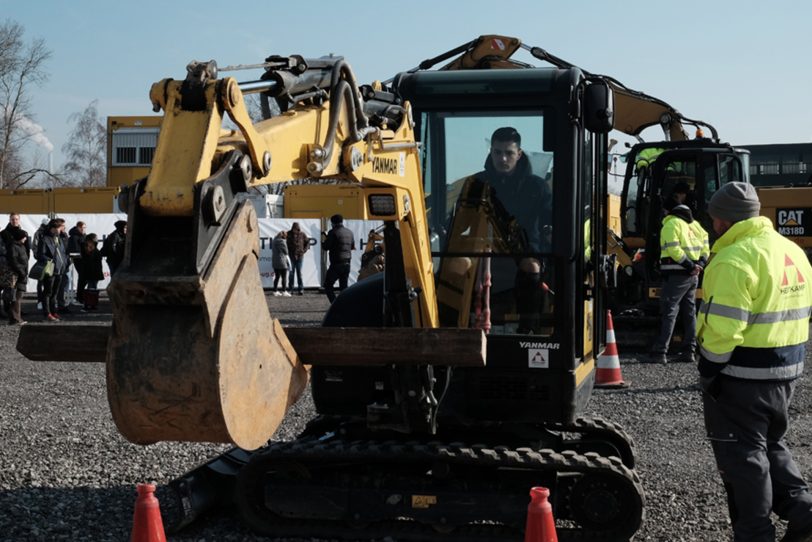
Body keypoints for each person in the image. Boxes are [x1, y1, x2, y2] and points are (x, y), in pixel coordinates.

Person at [697, 182, 812, 542]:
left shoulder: (733, 259)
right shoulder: (790, 250)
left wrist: (710, 372)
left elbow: (721, 332)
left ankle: (754, 533)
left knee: (743, 457)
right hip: (785, 369)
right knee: (769, 443)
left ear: (721, 222)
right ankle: (805, 512)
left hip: (743, 376)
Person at [467, 126, 552, 334]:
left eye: (509, 153)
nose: (503, 159)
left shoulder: (537, 188)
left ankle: (528, 329)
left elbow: (550, 224)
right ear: (491, 152)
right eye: (498, 152)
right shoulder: (477, 184)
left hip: (525, 252)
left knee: (532, 268)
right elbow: (461, 220)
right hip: (483, 251)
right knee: (458, 265)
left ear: (519, 154)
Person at [649, 203, 709, 364]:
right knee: (689, 312)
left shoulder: (671, 224)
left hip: (676, 276)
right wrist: (699, 265)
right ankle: (689, 351)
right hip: (692, 277)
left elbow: (674, 249)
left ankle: (660, 352)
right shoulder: (696, 226)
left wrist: (690, 266)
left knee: (670, 311)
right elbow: (705, 247)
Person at [35, 218, 68, 322]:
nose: (64, 228)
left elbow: (63, 253)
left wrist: (66, 262)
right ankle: (47, 313)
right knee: (48, 292)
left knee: (55, 292)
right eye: (61, 226)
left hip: (60, 270)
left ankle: (54, 312)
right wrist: (51, 261)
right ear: (54, 228)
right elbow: (40, 255)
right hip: (50, 269)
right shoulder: (44, 239)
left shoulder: (60, 238)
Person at [322, 214, 354, 303]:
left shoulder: (333, 232)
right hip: (347, 263)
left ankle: (334, 304)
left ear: (333, 223)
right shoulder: (349, 232)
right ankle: (344, 305)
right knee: (343, 287)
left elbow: (326, 247)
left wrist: (324, 239)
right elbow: (352, 246)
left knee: (328, 285)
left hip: (336, 263)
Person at [5, 229, 29, 325]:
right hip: (16, 275)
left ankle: (14, 318)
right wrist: (22, 272)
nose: (25, 238)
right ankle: (16, 319)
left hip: (21, 274)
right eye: (24, 237)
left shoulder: (21, 246)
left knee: (17, 297)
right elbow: (14, 261)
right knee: (16, 297)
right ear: (19, 237)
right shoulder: (14, 247)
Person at [75, 233, 104, 310]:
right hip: (91, 271)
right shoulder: (88, 247)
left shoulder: (90, 247)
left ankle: (91, 304)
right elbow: (89, 259)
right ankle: (88, 304)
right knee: (91, 289)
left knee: (92, 288)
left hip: (93, 270)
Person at [286, 222, 309, 295]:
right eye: (294, 229)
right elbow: (284, 243)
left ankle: (301, 289)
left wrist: (304, 250)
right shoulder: (288, 234)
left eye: (296, 229)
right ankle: (290, 289)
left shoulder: (302, 234)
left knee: (299, 273)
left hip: (300, 256)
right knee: (291, 273)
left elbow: (307, 242)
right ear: (292, 228)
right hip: (291, 256)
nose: (295, 230)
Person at [271, 230, 291, 297]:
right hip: (282, 261)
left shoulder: (274, 241)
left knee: (277, 277)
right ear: (284, 236)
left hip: (275, 261)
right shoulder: (282, 242)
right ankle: (284, 291)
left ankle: (275, 290)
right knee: (284, 277)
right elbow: (286, 252)